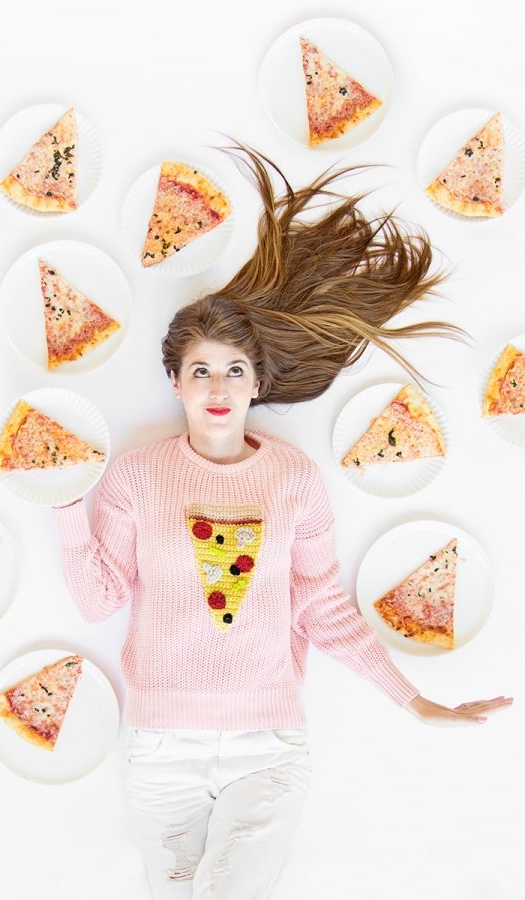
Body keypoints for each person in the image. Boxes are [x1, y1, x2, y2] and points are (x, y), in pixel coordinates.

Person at [53, 146, 512, 900]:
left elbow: (321, 608)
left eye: (235, 370)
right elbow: (102, 601)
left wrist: (416, 701)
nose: (218, 387)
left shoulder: (295, 479)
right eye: (200, 370)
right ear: (174, 381)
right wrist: (68, 502)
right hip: (160, 747)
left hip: (268, 748)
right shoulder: (136, 474)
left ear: (258, 382)